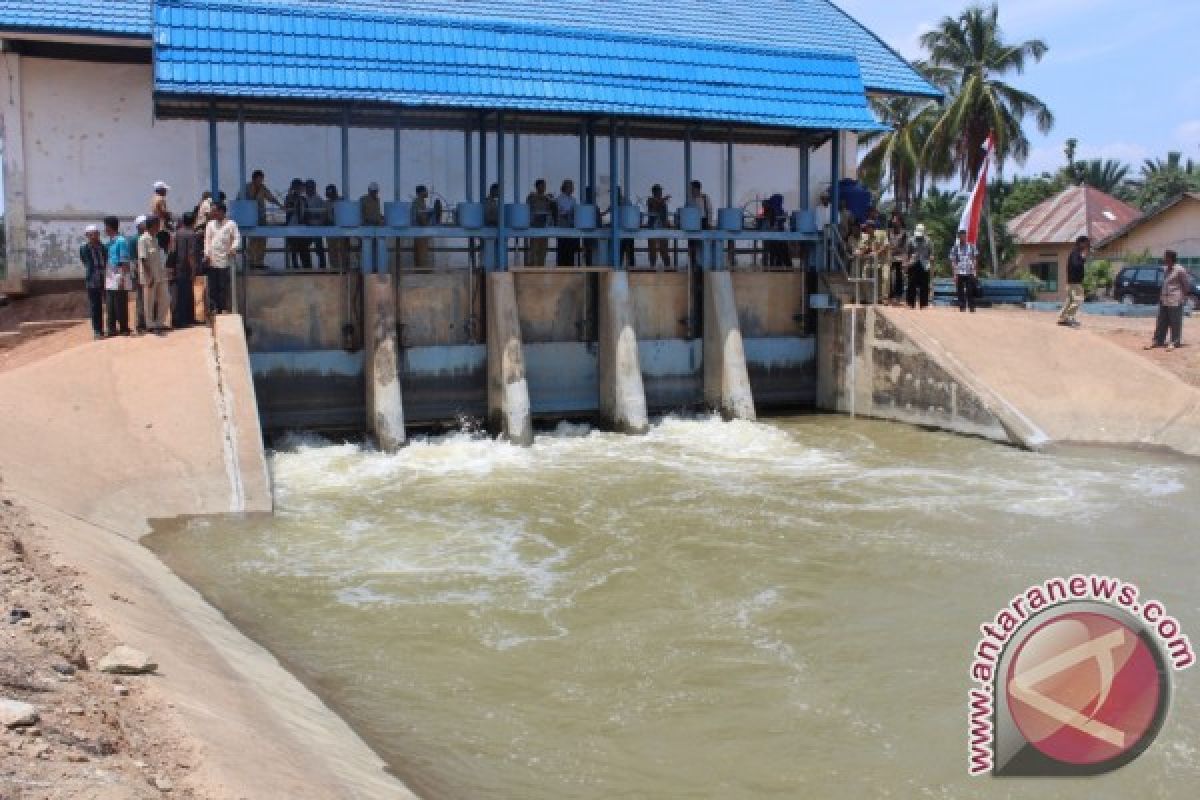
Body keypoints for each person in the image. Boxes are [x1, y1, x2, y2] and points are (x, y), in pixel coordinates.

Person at [1145, 250, 1191, 351]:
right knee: (1161, 321)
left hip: (1175, 300)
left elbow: (1186, 286)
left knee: (1175, 322)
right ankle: (1157, 341)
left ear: (1170, 258)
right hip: (1164, 299)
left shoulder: (1180, 270)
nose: (1164, 258)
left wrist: (1182, 298)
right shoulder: (1166, 269)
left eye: (1165, 257)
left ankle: (1174, 342)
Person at [204, 201, 240, 316]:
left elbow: (236, 238)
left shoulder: (231, 224)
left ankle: (223, 308)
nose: (213, 213)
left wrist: (234, 248)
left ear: (221, 211)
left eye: (215, 210)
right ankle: (214, 308)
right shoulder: (210, 224)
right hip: (212, 259)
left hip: (225, 259)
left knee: (223, 285)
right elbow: (207, 241)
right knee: (213, 286)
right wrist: (207, 254)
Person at [242, 170, 282, 268]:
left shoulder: (263, 188)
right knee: (253, 240)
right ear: (254, 179)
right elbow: (241, 200)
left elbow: (270, 197)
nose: (261, 181)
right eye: (259, 179)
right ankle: (251, 262)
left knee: (263, 240)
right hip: (251, 219)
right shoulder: (246, 188)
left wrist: (280, 205)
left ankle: (259, 262)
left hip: (261, 218)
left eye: (262, 179)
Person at [138, 216, 170, 334]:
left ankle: (160, 322)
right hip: (149, 276)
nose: (159, 227)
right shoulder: (143, 239)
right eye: (157, 224)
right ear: (151, 225)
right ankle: (150, 325)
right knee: (149, 301)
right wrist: (150, 275)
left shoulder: (156, 239)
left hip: (160, 274)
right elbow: (143, 259)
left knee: (166, 299)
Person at [103, 216, 132, 337]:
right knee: (110, 303)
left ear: (110, 227)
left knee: (120, 303)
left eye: (106, 226)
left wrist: (122, 278)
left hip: (119, 273)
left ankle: (124, 328)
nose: (104, 229)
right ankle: (111, 328)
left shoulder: (121, 241)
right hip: (110, 274)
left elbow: (124, 261)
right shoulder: (109, 242)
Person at [170, 211, 200, 328]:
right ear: (193, 221)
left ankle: (181, 319)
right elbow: (191, 255)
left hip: (177, 267)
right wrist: (193, 270)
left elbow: (172, 251)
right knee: (186, 295)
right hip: (186, 268)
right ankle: (185, 320)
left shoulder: (176, 234)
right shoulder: (192, 235)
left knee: (179, 295)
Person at [79, 224, 107, 339]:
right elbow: (84, 261)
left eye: (96, 234)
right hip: (92, 279)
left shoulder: (103, 247)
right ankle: (97, 331)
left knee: (107, 303)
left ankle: (107, 328)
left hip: (104, 277)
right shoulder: (84, 248)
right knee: (95, 305)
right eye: (91, 234)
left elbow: (106, 259)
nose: (94, 236)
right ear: (87, 235)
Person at [1057, 236, 1089, 328]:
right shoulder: (1076, 253)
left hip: (1071, 281)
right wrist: (1083, 258)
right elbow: (1076, 265)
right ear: (1081, 243)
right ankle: (1069, 318)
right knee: (1078, 299)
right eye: (1085, 243)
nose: (1086, 246)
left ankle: (1062, 318)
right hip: (1075, 282)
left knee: (1069, 301)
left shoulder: (1075, 253)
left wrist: (1082, 258)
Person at [949, 229, 979, 313]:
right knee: (960, 291)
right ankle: (962, 307)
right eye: (960, 236)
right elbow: (953, 261)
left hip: (969, 272)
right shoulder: (955, 248)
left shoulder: (972, 246)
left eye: (963, 236)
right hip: (959, 272)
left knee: (970, 290)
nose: (962, 237)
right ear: (958, 237)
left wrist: (975, 271)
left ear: (966, 236)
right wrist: (954, 274)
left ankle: (972, 307)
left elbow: (974, 259)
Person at [127, 216, 148, 333]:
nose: (146, 225)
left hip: (148, 271)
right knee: (140, 298)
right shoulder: (134, 240)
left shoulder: (148, 237)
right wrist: (136, 273)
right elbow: (133, 259)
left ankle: (149, 321)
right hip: (139, 272)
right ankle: (140, 324)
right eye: (144, 223)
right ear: (139, 226)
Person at [526, 179, 554, 266]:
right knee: (534, 249)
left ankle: (541, 268)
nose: (544, 187)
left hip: (544, 227)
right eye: (542, 185)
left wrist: (550, 199)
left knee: (543, 250)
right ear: (537, 186)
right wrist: (544, 197)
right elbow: (529, 204)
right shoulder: (531, 196)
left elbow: (552, 208)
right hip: (534, 226)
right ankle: (532, 268)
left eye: (544, 185)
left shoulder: (548, 198)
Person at [905, 223, 933, 309]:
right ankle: (910, 303)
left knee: (924, 285)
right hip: (913, 263)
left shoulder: (928, 241)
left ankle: (923, 304)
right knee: (911, 284)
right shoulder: (911, 240)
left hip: (924, 264)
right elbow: (907, 253)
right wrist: (906, 264)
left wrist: (931, 259)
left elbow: (931, 253)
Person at [687, 179, 712, 269]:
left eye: (692, 189)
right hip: (692, 223)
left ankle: (704, 265)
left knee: (703, 244)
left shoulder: (705, 198)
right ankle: (693, 264)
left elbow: (709, 211)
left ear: (697, 189)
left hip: (703, 222)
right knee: (692, 244)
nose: (691, 191)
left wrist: (709, 223)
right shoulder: (690, 199)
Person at [284, 178, 309, 269]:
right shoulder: (290, 197)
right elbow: (288, 206)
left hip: (302, 228)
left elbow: (305, 212)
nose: (303, 189)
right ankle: (295, 266)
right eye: (301, 187)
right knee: (294, 249)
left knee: (303, 248)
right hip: (292, 227)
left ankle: (306, 267)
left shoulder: (303, 199)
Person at [303, 180, 327, 269]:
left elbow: (324, 214)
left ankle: (322, 267)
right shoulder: (303, 199)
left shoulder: (319, 200)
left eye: (311, 187)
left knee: (319, 249)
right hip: (307, 229)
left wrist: (319, 220)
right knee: (305, 248)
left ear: (314, 188)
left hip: (317, 227)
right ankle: (307, 267)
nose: (309, 189)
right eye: (307, 187)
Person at [646, 184, 671, 268]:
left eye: (660, 191)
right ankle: (652, 267)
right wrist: (663, 200)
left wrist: (667, 222)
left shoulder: (663, 203)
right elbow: (654, 204)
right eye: (658, 191)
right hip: (653, 228)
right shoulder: (650, 200)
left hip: (663, 228)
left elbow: (665, 215)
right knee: (652, 249)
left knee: (664, 249)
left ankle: (668, 268)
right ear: (654, 192)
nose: (660, 193)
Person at [325, 184, 348, 271]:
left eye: (332, 193)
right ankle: (334, 270)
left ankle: (344, 269)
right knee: (332, 251)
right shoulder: (326, 203)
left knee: (343, 250)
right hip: (331, 230)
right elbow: (325, 216)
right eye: (329, 194)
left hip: (341, 230)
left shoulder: (341, 201)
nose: (330, 196)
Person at [555, 179, 578, 267]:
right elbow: (562, 212)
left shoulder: (573, 200)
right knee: (562, 250)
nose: (572, 188)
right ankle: (561, 269)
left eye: (572, 186)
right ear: (565, 187)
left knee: (570, 250)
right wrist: (568, 214)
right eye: (571, 186)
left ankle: (570, 267)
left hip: (571, 228)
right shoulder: (560, 199)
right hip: (562, 227)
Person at [887, 211, 908, 303]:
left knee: (899, 276)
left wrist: (905, 259)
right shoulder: (889, 231)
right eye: (893, 219)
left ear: (900, 221)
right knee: (889, 276)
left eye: (895, 220)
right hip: (890, 256)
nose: (894, 221)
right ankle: (890, 295)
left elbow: (905, 247)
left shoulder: (904, 233)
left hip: (900, 257)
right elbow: (887, 243)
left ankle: (898, 295)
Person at [412, 185, 434, 266]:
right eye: (425, 191)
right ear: (421, 193)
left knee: (420, 253)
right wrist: (428, 216)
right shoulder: (418, 202)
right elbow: (420, 217)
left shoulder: (421, 201)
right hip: (420, 232)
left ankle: (420, 270)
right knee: (422, 254)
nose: (427, 192)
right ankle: (422, 272)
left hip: (420, 231)